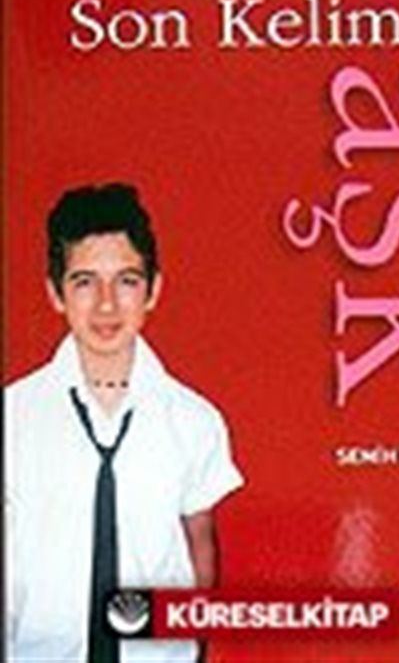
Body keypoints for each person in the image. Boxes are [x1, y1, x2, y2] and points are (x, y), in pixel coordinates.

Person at [5, 183, 244, 662]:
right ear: (55, 293)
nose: (107, 305)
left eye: (127, 281)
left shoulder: (194, 420)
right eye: (84, 282)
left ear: (154, 289)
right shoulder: (13, 416)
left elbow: (200, 545)